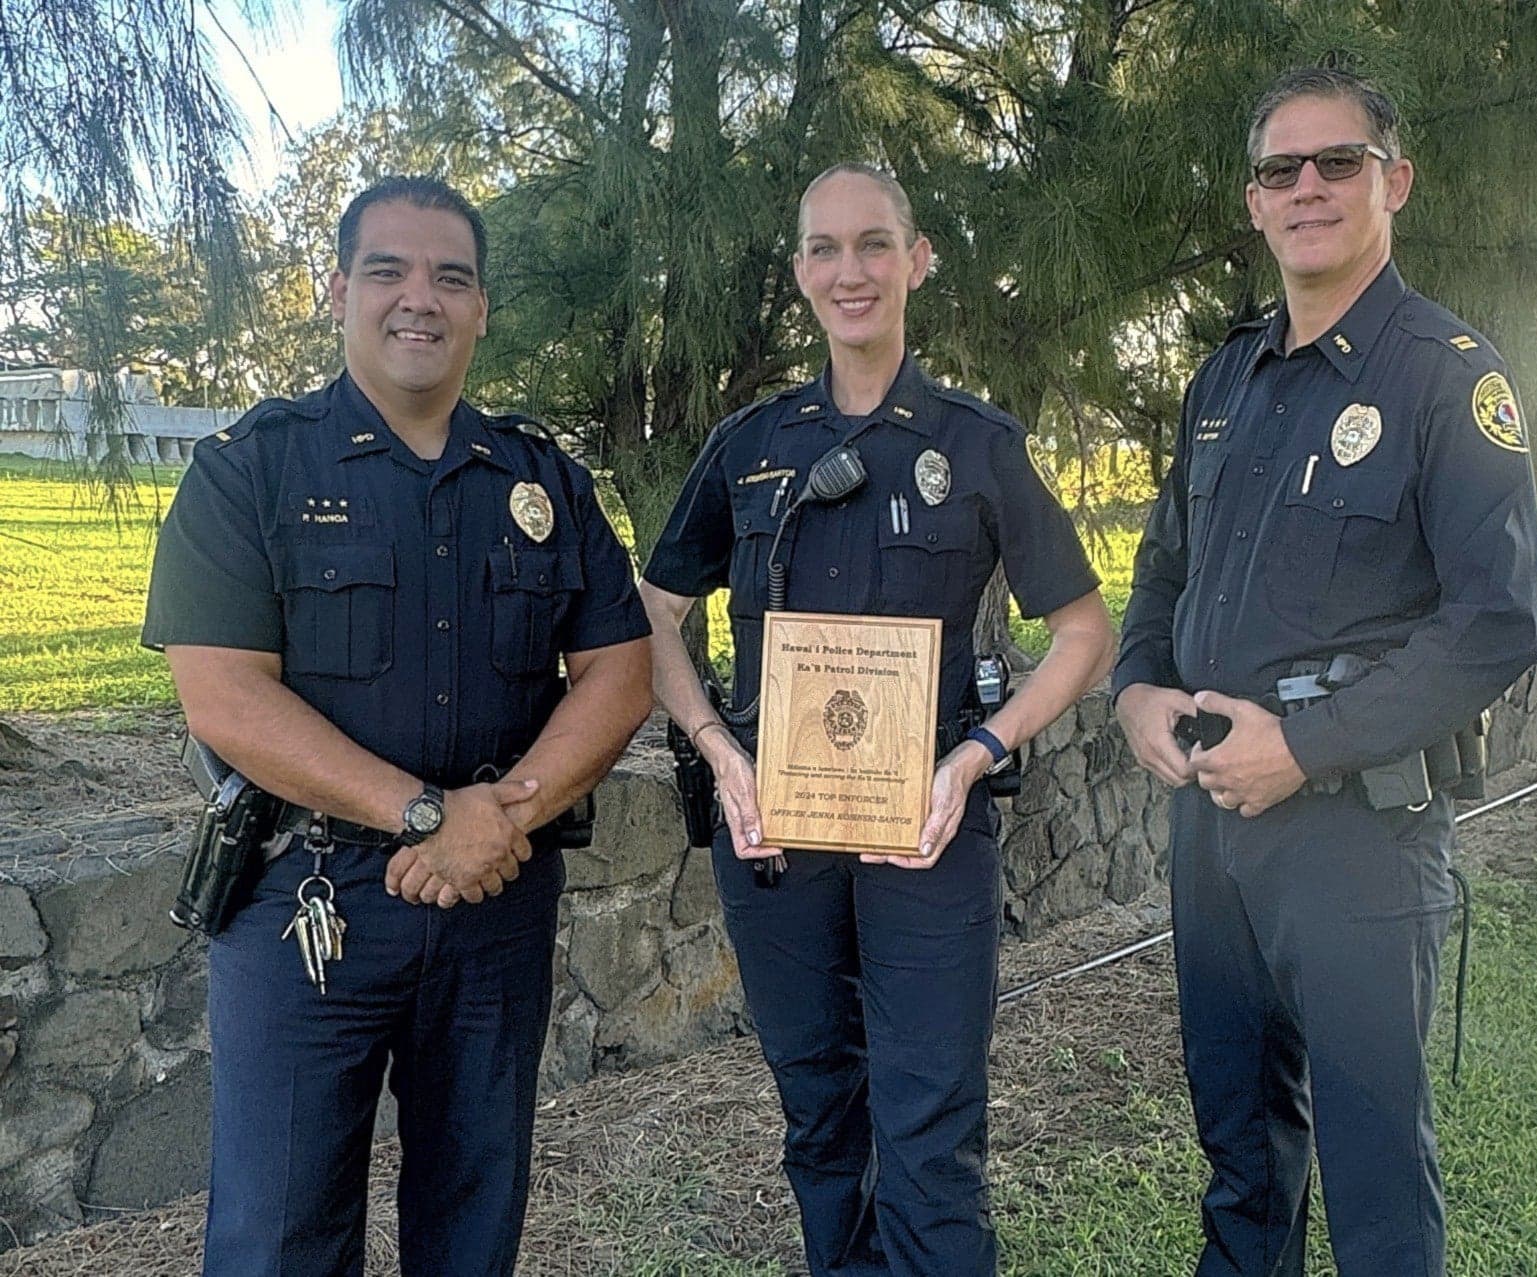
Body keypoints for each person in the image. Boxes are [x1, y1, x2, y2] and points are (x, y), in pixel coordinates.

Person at [141, 175, 653, 1276]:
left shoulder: (542, 479)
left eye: (451, 277)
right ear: (337, 292)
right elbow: (225, 696)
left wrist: (498, 816)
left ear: (480, 310)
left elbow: (618, 668)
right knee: (278, 1235)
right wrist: (424, 813)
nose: (419, 297)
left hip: (495, 901)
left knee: (474, 1223)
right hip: (304, 903)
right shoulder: (250, 470)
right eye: (388, 270)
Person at [638, 163, 1115, 1276]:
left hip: (928, 836)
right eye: (824, 249)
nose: (847, 270)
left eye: (872, 244)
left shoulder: (978, 445)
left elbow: (1084, 631)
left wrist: (980, 751)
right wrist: (720, 750)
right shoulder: (750, 444)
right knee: (818, 1118)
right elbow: (653, 615)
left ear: (917, 258)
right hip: (774, 844)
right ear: (800, 268)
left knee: (931, 1132)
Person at [1114, 68, 1537, 1276]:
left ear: (1392, 181)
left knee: (1373, 1181)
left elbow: (1499, 622)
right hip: (1211, 835)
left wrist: (1301, 745)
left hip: (1358, 833)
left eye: (1337, 163)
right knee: (1241, 1165)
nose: (1307, 188)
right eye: (1279, 170)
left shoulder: (1447, 377)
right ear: (1253, 202)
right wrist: (1139, 689)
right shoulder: (1225, 382)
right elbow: (1163, 572)